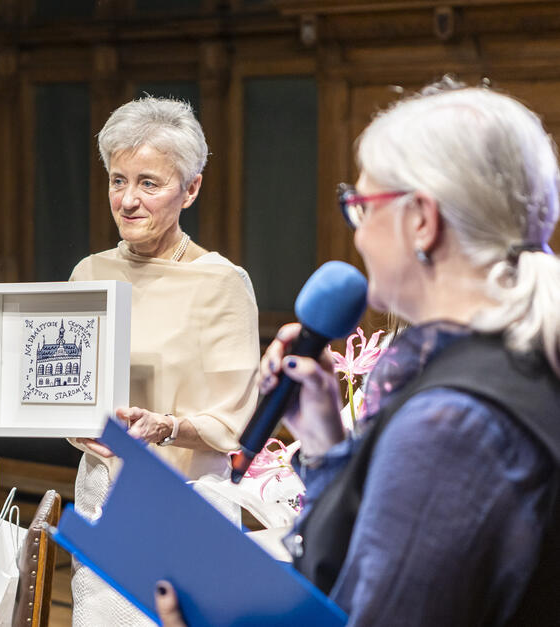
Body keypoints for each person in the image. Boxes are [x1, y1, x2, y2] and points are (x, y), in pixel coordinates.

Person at [155, 80, 560, 625]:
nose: (358, 236)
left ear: (422, 219)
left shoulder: (449, 424)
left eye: (361, 206)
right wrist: (323, 444)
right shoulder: (520, 358)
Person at [0, 96, 260, 625]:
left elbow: (234, 425)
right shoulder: (90, 274)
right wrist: (4, 352)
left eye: (149, 182)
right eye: (117, 180)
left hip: (187, 505)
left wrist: (166, 426)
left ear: (190, 188)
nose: (128, 200)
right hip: (102, 494)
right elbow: (68, 391)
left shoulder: (221, 283)